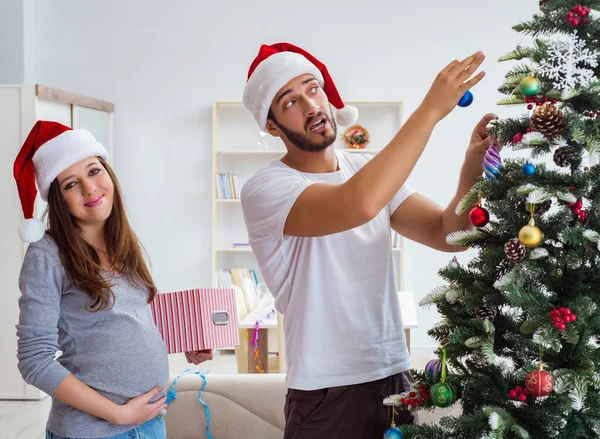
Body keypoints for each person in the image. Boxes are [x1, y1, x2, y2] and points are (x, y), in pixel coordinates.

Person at [239, 42, 494, 438]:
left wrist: (471, 168)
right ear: (271, 126)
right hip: (325, 390)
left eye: (313, 88)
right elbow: (357, 204)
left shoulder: (364, 168)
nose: (311, 106)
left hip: (393, 375)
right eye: (290, 101)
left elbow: (448, 234)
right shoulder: (267, 188)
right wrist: (429, 111)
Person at [13, 120, 213, 439]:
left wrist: (183, 342)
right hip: (95, 431)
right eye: (71, 184)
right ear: (58, 199)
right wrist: (118, 415)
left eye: (94, 171)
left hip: (148, 421)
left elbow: (129, 318)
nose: (90, 188)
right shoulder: (47, 255)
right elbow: (34, 361)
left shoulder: (122, 243)